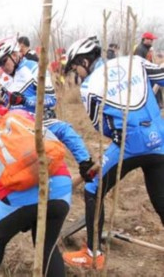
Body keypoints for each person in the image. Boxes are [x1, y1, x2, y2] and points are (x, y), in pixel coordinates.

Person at [62, 36, 164, 269]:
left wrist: (116, 136)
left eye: (75, 67)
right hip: (159, 140)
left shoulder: (89, 87)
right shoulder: (134, 61)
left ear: (84, 61)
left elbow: (100, 124)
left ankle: (93, 254)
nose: (76, 73)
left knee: (92, 189)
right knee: (160, 198)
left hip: (128, 146)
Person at [0, 85, 73, 277]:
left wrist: (23, 214)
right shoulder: (23, 114)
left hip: (21, 197)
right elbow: (59, 131)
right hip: (61, 186)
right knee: (48, 246)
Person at [0, 38, 93, 172]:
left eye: (4, 61)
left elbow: (51, 100)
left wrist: (25, 101)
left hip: (37, 121)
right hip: (15, 125)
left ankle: (86, 163)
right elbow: (5, 105)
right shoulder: (3, 77)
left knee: (65, 130)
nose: (2, 67)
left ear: (15, 55)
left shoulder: (35, 69)